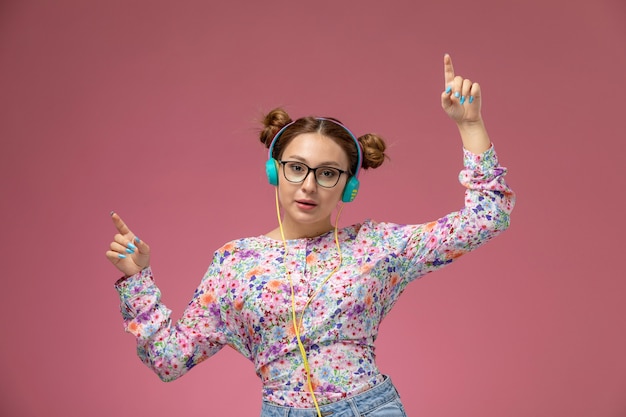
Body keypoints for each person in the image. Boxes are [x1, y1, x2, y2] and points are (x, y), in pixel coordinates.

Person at [105, 54, 515, 417]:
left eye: (328, 173)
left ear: (348, 186)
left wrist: (471, 125)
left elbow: (487, 216)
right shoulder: (235, 263)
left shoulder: (376, 246)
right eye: (296, 167)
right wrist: (138, 280)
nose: (309, 185)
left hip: (370, 408)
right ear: (274, 171)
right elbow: (169, 361)